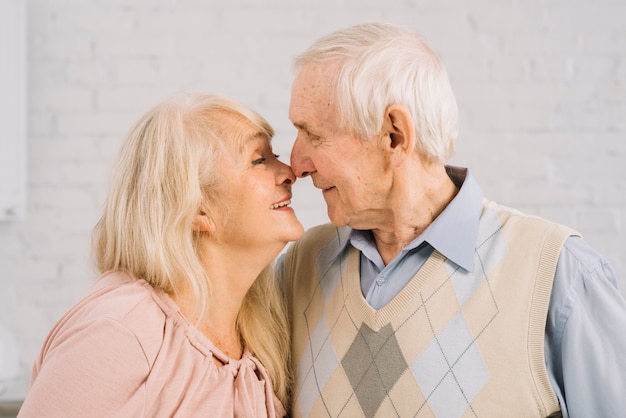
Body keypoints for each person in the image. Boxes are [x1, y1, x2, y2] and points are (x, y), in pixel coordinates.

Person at [280, 22, 626, 417]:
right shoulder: (299, 267)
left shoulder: (559, 276)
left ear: (394, 136)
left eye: (315, 136)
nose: (296, 164)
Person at [18, 92, 304, 417]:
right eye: (258, 159)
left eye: (274, 154)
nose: (289, 172)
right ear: (197, 208)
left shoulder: (261, 331)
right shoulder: (118, 333)